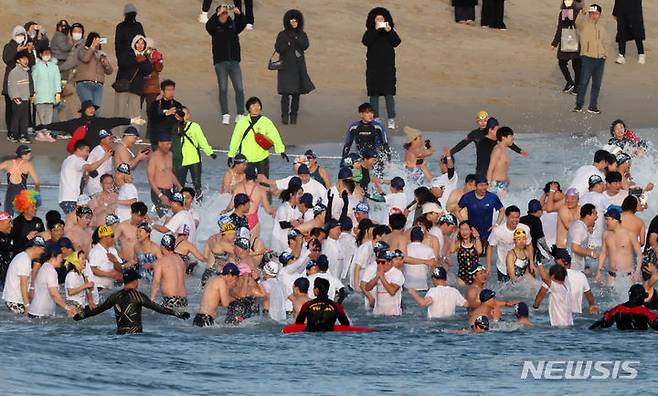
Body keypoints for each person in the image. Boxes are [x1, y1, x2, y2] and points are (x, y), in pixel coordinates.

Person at [74, 268, 189, 334]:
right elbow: (159, 308)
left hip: (119, 335)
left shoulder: (115, 296)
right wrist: (178, 313)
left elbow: (98, 310)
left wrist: (82, 315)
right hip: (136, 337)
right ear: (134, 281)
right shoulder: (138, 296)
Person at [37, 100, 145, 149]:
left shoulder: (99, 121)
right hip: (81, 154)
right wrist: (45, 126)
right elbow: (60, 125)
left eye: (93, 108)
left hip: (97, 154)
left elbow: (114, 121)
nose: (92, 110)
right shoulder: (75, 123)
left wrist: (131, 121)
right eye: (89, 108)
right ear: (84, 110)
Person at [206, 3, 247, 125]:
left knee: (239, 88)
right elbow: (208, 26)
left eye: (225, 13)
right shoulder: (214, 27)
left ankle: (240, 113)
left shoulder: (232, 25)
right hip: (220, 62)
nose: (224, 15)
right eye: (222, 13)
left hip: (234, 61)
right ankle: (225, 114)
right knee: (223, 89)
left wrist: (239, 14)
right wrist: (216, 13)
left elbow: (242, 24)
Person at [227, 96, 287, 178]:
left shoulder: (266, 121)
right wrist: (231, 154)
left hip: (262, 159)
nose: (256, 108)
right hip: (246, 159)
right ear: (248, 108)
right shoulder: (242, 122)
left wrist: (281, 150)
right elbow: (236, 139)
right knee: (246, 184)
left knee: (263, 184)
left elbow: (275, 136)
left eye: (258, 105)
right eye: (253, 105)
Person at [362, 7, 401, 130]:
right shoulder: (370, 31)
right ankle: (375, 119)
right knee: (374, 95)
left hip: (388, 68)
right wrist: (375, 30)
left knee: (389, 95)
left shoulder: (389, 32)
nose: (379, 21)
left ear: (386, 20)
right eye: (377, 19)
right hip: (373, 68)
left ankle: (391, 119)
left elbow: (396, 42)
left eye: (382, 19)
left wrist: (390, 31)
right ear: (373, 20)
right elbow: (366, 41)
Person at [450, 116, 527, 176]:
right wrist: (450, 153)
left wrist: (519, 150)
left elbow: (507, 141)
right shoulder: (475, 134)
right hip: (482, 167)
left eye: (484, 121)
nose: (483, 123)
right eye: (480, 121)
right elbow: (462, 144)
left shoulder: (496, 134)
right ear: (477, 121)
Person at [275, 9, 314, 125]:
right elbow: (278, 48)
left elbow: (305, 45)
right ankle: (285, 116)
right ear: (287, 21)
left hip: (298, 68)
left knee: (296, 94)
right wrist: (287, 43)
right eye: (292, 20)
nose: (294, 23)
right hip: (285, 68)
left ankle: (294, 117)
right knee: (285, 94)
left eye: (296, 21)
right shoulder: (282, 34)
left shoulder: (302, 34)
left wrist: (296, 37)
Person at [533, 247, 598, 315]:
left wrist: (535, 308)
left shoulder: (553, 277)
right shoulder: (581, 276)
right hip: (576, 316)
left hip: (558, 316)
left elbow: (540, 296)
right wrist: (592, 305)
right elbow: (589, 294)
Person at [58, 140, 113, 214]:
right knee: (76, 221)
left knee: (75, 220)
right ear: (78, 150)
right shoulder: (77, 160)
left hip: (64, 198)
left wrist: (85, 176)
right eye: (86, 151)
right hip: (71, 198)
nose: (88, 154)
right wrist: (105, 157)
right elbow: (90, 167)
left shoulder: (68, 159)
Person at [573, 4, 609, 114]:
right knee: (583, 82)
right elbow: (577, 22)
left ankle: (592, 106)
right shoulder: (584, 25)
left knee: (597, 84)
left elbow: (605, 42)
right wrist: (583, 11)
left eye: (596, 14)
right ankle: (579, 105)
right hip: (587, 58)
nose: (594, 16)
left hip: (600, 60)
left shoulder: (602, 28)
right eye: (592, 13)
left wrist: (605, 54)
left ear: (599, 15)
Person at [175, 106, 216, 194]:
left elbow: (202, 140)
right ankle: (178, 203)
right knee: (178, 185)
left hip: (194, 160)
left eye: (185, 114)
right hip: (180, 161)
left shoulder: (194, 126)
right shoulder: (174, 127)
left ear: (188, 116)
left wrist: (210, 152)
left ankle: (199, 204)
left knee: (197, 185)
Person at [114, 34, 152, 129]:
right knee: (120, 111)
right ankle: (117, 134)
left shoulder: (145, 57)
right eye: (138, 42)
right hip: (123, 86)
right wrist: (136, 60)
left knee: (135, 112)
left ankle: (134, 134)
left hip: (136, 88)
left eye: (142, 43)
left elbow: (147, 71)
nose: (140, 45)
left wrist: (143, 60)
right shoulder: (127, 53)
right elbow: (122, 64)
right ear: (134, 44)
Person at [596, 208, 642, 286]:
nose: (605, 222)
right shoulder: (606, 234)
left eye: (607, 220)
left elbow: (639, 255)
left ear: (615, 220)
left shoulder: (630, 234)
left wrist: (637, 272)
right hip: (611, 276)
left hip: (627, 277)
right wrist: (598, 271)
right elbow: (603, 253)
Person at [28, 245, 76, 318]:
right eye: (60, 257)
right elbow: (54, 294)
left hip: (37, 313)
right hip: (40, 315)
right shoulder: (51, 271)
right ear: (53, 257)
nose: (62, 260)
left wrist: (66, 306)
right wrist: (67, 308)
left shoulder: (45, 267)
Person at [2, 236, 46, 314]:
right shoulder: (24, 260)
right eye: (42, 249)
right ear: (36, 247)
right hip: (15, 301)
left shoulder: (23, 257)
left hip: (13, 300)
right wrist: (27, 305)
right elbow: (23, 284)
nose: (43, 252)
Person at [487, 206, 532, 281]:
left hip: (521, 265)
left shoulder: (525, 228)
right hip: (503, 267)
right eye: (512, 217)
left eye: (517, 217)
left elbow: (529, 245)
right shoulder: (498, 231)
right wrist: (488, 266)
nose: (515, 220)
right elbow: (490, 247)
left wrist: (531, 262)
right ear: (506, 217)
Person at [457, 174, 504, 244]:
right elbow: (456, 210)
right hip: (472, 232)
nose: (484, 187)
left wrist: (496, 225)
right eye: (481, 185)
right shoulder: (467, 197)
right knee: (474, 253)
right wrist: (465, 225)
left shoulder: (492, 197)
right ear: (475, 186)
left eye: (485, 185)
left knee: (485, 253)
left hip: (487, 232)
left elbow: (502, 210)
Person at [590, 284, 658, 330]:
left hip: (621, 339)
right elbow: (655, 326)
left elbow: (601, 325)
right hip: (640, 340)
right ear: (641, 297)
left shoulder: (617, 309)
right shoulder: (645, 312)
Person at [193, 263, 240, 327]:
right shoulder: (222, 282)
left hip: (199, 317)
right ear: (229, 275)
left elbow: (214, 300)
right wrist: (236, 299)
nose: (234, 281)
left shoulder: (212, 278)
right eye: (234, 278)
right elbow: (225, 304)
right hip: (206, 319)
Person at [75, 33, 113, 112]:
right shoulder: (82, 50)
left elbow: (109, 71)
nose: (97, 43)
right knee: (88, 110)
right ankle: (84, 124)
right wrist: (92, 47)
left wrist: (105, 62)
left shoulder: (102, 54)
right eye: (95, 40)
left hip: (98, 86)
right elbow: (85, 59)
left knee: (97, 111)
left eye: (99, 41)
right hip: (84, 84)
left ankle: (94, 124)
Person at [147, 134, 183, 218]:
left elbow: (169, 173)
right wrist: (160, 195)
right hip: (158, 192)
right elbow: (150, 179)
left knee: (177, 215)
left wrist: (179, 186)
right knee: (164, 218)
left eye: (170, 144)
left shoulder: (170, 155)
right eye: (167, 144)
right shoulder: (153, 157)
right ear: (160, 144)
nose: (169, 146)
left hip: (169, 192)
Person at [551, 0, 583, 93]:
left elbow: (566, 24)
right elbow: (563, 26)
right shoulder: (576, 11)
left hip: (571, 39)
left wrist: (554, 43)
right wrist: (555, 42)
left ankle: (573, 84)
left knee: (570, 64)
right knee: (572, 64)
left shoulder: (573, 11)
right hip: (573, 39)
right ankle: (573, 84)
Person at [150, 234, 188, 309]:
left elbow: (156, 283)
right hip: (183, 300)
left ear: (162, 246)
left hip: (170, 300)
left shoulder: (160, 262)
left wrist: (151, 301)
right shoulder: (181, 260)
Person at [362, 250, 405, 316]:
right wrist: (377, 277)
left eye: (382, 262)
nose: (379, 264)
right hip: (377, 314)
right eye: (378, 262)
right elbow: (367, 288)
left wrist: (381, 277)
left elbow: (392, 291)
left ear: (390, 262)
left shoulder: (397, 274)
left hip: (392, 315)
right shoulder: (378, 272)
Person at [31, 46, 60, 142]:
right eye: (45, 53)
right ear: (40, 55)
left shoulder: (54, 67)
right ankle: (39, 133)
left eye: (48, 53)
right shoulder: (37, 66)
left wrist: (57, 92)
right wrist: (33, 93)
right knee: (40, 114)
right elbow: (34, 80)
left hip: (50, 95)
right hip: (40, 94)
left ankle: (47, 132)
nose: (47, 55)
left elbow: (57, 80)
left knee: (49, 115)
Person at [2, 26, 28, 133]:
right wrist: (16, 51)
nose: (20, 37)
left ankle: (21, 132)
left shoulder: (25, 46)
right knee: (10, 108)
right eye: (18, 34)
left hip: (23, 83)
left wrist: (29, 52)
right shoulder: (9, 46)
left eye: (22, 34)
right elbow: (6, 59)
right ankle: (11, 132)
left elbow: (30, 63)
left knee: (21, 110)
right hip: (11, 80)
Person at [0, 145, 39, 215]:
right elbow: (37, 182)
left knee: (9, 217)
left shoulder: (8, 163)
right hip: (22, 195)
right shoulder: (28, 165)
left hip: (10, 194)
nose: (30, 156)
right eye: (29, 155)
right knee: (24, 218)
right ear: (23, 155)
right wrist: (36, 196)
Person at [147, 79, 183, 147]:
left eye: (172, 90)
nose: (171, 92)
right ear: (162, 91)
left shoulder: (177, 104)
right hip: (157, 138)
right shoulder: (155, 104)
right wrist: (167, 113)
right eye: (168, 90)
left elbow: (181, 122)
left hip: (173, 138)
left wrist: (180, 119)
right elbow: (153, 119)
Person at [536, 262, 573, 327]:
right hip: (569, 324)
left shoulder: (556, 287)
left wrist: (539, 263)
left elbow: (544, 278)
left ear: (552, 276)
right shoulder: (566, 285)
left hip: (559, 327)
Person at [7, 51, 32, 143]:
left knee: (24, 118)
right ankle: (14, 134)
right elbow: (12, 86)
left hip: (25, 98)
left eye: (27, 58)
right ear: (18, 60)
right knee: (16, 117)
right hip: (18, 99)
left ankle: (23, 135)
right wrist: (15, 97)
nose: (26, 61)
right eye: (23, 59)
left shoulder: (25, 71)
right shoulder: (14, 72)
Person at [10, 190, 45, 254]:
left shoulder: (38, 221)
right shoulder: (16, 222)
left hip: (35, 256)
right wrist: (27, 238)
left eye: (36, 206)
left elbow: (42, 241)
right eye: (32, 207)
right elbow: (13, 246)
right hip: (20, 256)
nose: (35, 209)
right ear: (25, 209)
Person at [486, 127, 516, 198]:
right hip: (496, 183)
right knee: (500, 206)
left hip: (503, 183)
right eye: (511, 136)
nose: (512, 139)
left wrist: (507, 179)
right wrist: (488, 184)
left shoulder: (505, 150)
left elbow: (502, 167)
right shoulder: (497, 150)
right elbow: (490, 168)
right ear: (503, 137)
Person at [613, 0, 645, 65]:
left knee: (637, 32)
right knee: (621, 32)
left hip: (634, 10)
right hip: (621, 10)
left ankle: (641, 54)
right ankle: (621, 55)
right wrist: (615, 11)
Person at [84, 130, 115, 196]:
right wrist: (104, 158)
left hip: (106, 187)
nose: (112, 140)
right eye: (110, 138)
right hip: (96, 187)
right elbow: (88, 168)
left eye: (113, 138)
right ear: (102, 140)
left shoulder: (109, 151)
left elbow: (109, 170)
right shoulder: (96, 151)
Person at [453, 221, 482, 285]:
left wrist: (477, 237)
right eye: (461, 229)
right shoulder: (458, 243)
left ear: (471, 231)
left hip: (475, 275)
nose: (464, 232)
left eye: (466, 229)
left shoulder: (475, 243)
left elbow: (479, 251)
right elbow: (452, 250)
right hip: (462, 275)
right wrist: (454, 235)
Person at [141, 37, 164, 110]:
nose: (148, 50)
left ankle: (151, 121)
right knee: (136, 107)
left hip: (152, 87)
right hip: (139, 85)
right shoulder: (139, 55)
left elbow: (159, 68)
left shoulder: (157, 55)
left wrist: (157, 60)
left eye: (150, 48)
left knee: (151, 108)